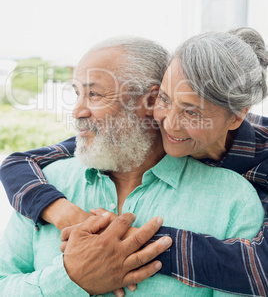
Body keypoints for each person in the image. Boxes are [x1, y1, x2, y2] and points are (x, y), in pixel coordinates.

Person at [0, 32, 267, 296]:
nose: (77, 111)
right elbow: (20, 161)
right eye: (165, 99)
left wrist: (123, 248)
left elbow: (259, 270)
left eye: (94, 95)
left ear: (235, 118)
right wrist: (71, 276)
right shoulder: (52, 178)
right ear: (155, 100)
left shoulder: (236, 198)